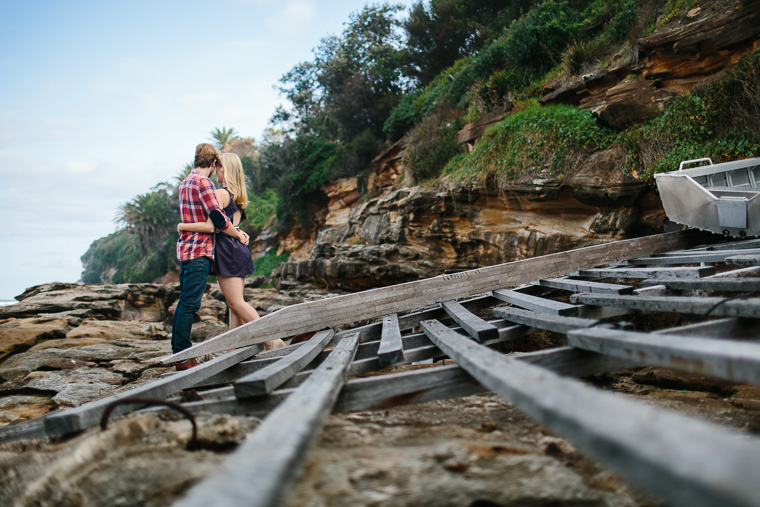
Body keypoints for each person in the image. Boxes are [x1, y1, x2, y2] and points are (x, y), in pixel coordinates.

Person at [178, 152, 284, 350]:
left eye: (217, 167)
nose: (215, 171)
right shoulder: (238, 196)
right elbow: (232, 226)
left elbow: (211, 225)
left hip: (227, 252)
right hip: (237, 251)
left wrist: (183, 226)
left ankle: (271, 340)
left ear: (223, 168)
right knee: (234, 305)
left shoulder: (221, 193)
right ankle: (234, 348)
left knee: (236, 304)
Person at [172, 144, 249, 371]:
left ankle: (181, 353)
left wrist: (181, 225)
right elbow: (216, 218)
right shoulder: (204, 183)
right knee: (190, 303)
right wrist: (238, 233)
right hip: (199, 250)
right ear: (214, 163)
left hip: (184, 249)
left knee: (184, 301)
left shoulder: (185, 182)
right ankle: (183, 356)